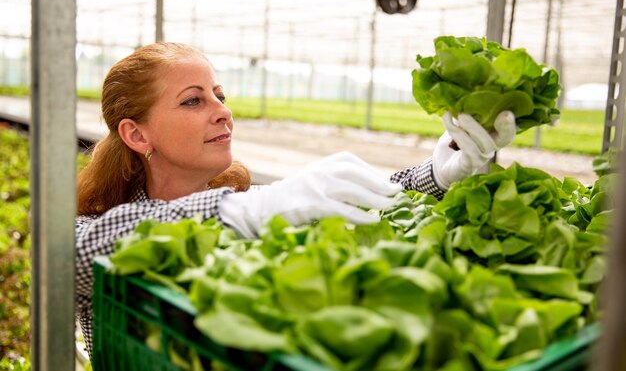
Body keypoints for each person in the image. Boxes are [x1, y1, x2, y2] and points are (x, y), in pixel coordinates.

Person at [75, 42, 516, 355]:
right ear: (137, 133)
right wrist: (240, 210)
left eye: (219, 95)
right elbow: (75, 255)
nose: (222, 109)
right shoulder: (94, 227)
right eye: (193, 101)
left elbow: (350, 201)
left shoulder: (248, 205)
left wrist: (438, 173)